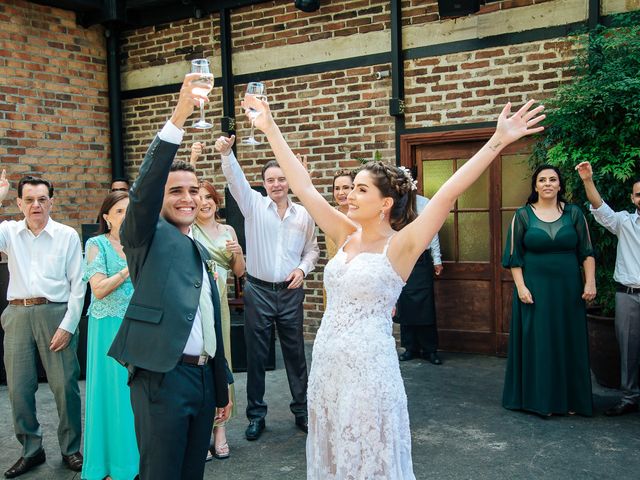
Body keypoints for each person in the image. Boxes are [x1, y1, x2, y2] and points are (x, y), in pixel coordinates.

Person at [241, 93, 544, 478]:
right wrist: (270, 127)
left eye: (361, 190)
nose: (350, 195)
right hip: (329, 363)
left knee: (369, 454)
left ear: (386, 203)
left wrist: (497, 140)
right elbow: (305, 188)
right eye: (352, 189)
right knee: (332, 449)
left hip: (369, 369)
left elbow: (449, 192)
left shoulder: (401, 246)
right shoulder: (345, 233)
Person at [107, 73, 233, 480]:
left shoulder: (196, 245)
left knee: (191, 472)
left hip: (200, 378)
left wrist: (219, 384)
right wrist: (181, 112)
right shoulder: (145, 234)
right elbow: (143, 191)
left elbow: (207, 321)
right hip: (162, 377)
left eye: (193, 190)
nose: (188, 198)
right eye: (175, 190)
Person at [214, 135, 320, 441]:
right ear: (264, 183)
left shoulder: (304, 214)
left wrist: (302, 269)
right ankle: (256, 416)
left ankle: (301, 411)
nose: (276, 184)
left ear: (289, 181)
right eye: (270, 180)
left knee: (296, 355)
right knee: (257, 357)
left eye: (282, 179)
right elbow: (235, 179)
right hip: (258, 291)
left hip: (290, 293)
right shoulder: (253, 206)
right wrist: (227, 154)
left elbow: (312, 250)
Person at [0, 171, 85, 478]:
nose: (36, 205)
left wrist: (69, 325)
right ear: (20, 203)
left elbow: (79, 284)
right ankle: (31, 449)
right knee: (19, 388)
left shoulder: (67, 235)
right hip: (18, 313)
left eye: (42, 199)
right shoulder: (8, 231)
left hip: (56, 313)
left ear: (52, 201)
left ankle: (71, 449)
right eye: (29, 200)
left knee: (65, 387)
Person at [502, 164, 596, 417]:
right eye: (542, 180)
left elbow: (586, 252)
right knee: (539, 341)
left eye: (552, 179)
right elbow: (513, 257)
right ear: (535, 186)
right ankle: (539, 400)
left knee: (568, 340)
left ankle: (571, 400)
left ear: (559, 185)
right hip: (535, 289)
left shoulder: (574, 214)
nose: (547, 184)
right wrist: (521, 287)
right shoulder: (523, 215)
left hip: (568, 289)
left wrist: (590, 282)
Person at [190, 150, 246, 459]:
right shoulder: (190, 230)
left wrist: (238, 252)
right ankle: (202, 429)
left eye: (209, 196)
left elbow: (239, 272)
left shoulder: (227, 231)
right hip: (195, 306)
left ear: (215, 201)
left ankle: (221, 428)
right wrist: (194, 160)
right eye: (198, 197)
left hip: (219, 304)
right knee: (201, 361)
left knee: (221, 362)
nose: (204, 201)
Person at [82, 191, 139, 480]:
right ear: (106, 217)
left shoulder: (139, 244)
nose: (125, 216)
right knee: (112, 394)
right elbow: (99, 289)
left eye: (129, 210)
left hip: (138, 328)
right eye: (119, 211)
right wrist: (129, 270)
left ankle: (135, 462)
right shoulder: (96, 244)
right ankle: (110, 465)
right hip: (107, 329)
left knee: (135, 396)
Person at [576, 161, 640, 416]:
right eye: (638, 194)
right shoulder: (625, 223)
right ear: (633, 197)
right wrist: (588, 181)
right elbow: (600, 209)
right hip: (628, 295)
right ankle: (630, 397)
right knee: (628, 351)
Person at [395, 194, 444, 365]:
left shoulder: (424, 203)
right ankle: (410, 348)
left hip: (422, 259)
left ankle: (430, 349)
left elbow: (433, 231)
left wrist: (436, 258)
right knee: (405, 303)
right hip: (400, 257)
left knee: (425, 306)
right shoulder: (392, 203)